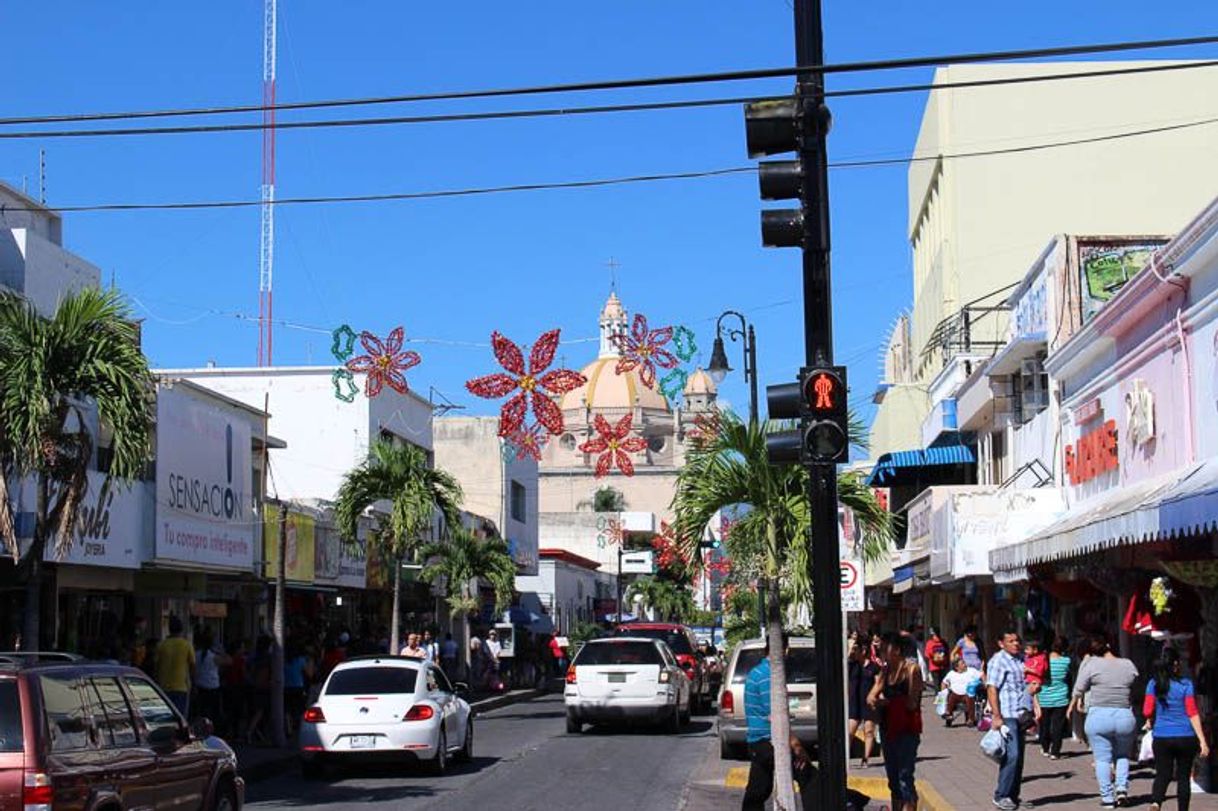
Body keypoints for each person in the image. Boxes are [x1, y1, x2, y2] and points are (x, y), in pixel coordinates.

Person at [741, 633, 814, 811]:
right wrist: (795, 745)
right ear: (785, 650)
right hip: (767, 740)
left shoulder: (758, 671)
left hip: (758, 741)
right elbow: (775, 715)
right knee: (806, 773)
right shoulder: (768, 675)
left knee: (758, 791)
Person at [1073, 634, 1139, 808]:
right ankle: (1122, 790)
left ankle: (1107, 798)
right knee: (1122, 755)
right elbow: (1134, 683)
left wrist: (1077, 701)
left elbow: (1079, 688)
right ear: (1110, 645)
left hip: (1098, 716)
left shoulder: (1092, 664)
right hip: (1124, 715)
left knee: (1102, 759)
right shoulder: (1128, 664)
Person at [1144, 647, 1210, 811]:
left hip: (1162, 737)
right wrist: (1202, 740)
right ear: (1175, 664)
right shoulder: (1185, 684)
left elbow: (1146, 710)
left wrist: (1151, 717)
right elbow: (1192, 712)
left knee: (1163, 774)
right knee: (1183, 778)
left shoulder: (1153, 684)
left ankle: (1156, 802)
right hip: (1185, 736)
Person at [868, 632, 923, 811]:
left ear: (897, 650)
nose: (882, 652)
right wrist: (875, 699)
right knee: (893, 778)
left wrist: (888, 702)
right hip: (888, 728)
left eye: (886, 648)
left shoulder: (911, 669)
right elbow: (871, 695)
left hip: (907, 729)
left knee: (905, 777)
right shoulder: (885, 671)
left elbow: (912, 702)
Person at [987, 627, 1033, 811]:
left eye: (1017, 641)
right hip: (1007, 714)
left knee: (1019, 757)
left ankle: (1013, 795)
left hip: (1021, 714)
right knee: (1011, 755)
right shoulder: (998, 661)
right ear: (1001, 644)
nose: (1016, 644)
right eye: (1011, 641)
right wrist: (996, 716)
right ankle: (1002, 795)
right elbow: (992, 688)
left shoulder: (1021, 659)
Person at [1039, 635, 1073, 759]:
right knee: (1057, 725)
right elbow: (1069, 677)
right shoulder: (1066, 661)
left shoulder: (1043, 660)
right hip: (1061, 697)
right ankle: (1055, 751)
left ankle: (1045, 747)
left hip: (1043, 697)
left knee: (1044, 724)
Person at [847, 638, 879, 766]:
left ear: (863, 650)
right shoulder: (852, 665)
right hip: (855, 701)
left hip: (868, 702)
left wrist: (877, 697)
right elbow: (847, 658)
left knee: (869, 731)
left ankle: (865, 759)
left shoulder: (873, 667)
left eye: (857, 649)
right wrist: (850, 648)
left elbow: (878, 683)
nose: (854, 652)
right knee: (850, 731)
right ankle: (846, 757)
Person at [156, 616, 196, 718]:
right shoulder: (186, 645)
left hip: (163, 686)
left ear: (169, 629)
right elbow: (192, 666)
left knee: (165, 717)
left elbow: (155, 665)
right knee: (180, 717)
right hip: (181, 687)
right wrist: (193, 682)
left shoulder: (162, 645)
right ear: (181, 629)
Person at [193, 628, 230, 727]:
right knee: (214, 713)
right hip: (213, 687)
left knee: (201, 712)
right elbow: (229, 661)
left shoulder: (196, 655)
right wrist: (220, 651)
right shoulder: (213, 656)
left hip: (200, 686)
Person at [283, 642, 314, 737]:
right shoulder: (301, 660)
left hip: (286, 687)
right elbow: (309, 674)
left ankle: (289, 729)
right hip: (298, 687)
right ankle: (299, 727)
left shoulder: (282, 660)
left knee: (287, 709)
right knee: (299, 708)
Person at [941, 656, 981, 727]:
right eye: (962, 664)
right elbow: (944, 683)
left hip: (967, 693)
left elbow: (982, 675)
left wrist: (984, 684)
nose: (965, 664)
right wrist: (943, 693)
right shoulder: (951, 673)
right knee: (951, 697)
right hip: (955, 694)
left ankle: (971, 719)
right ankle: (948, 714)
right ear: (957, 667)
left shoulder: (971, 671)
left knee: (970, 697)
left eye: (964, 663)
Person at [925, 628, 949, 693]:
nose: (936, 637)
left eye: (937, 635)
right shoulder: (930, 643)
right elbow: (927, 654)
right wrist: (935, 656)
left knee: (943, 683)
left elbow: (947, 652)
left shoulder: (943, 642)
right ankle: (939, 699)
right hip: (934, 667)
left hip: (943, 666)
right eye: (934, 635)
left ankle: (943, 698)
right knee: (937, 684)